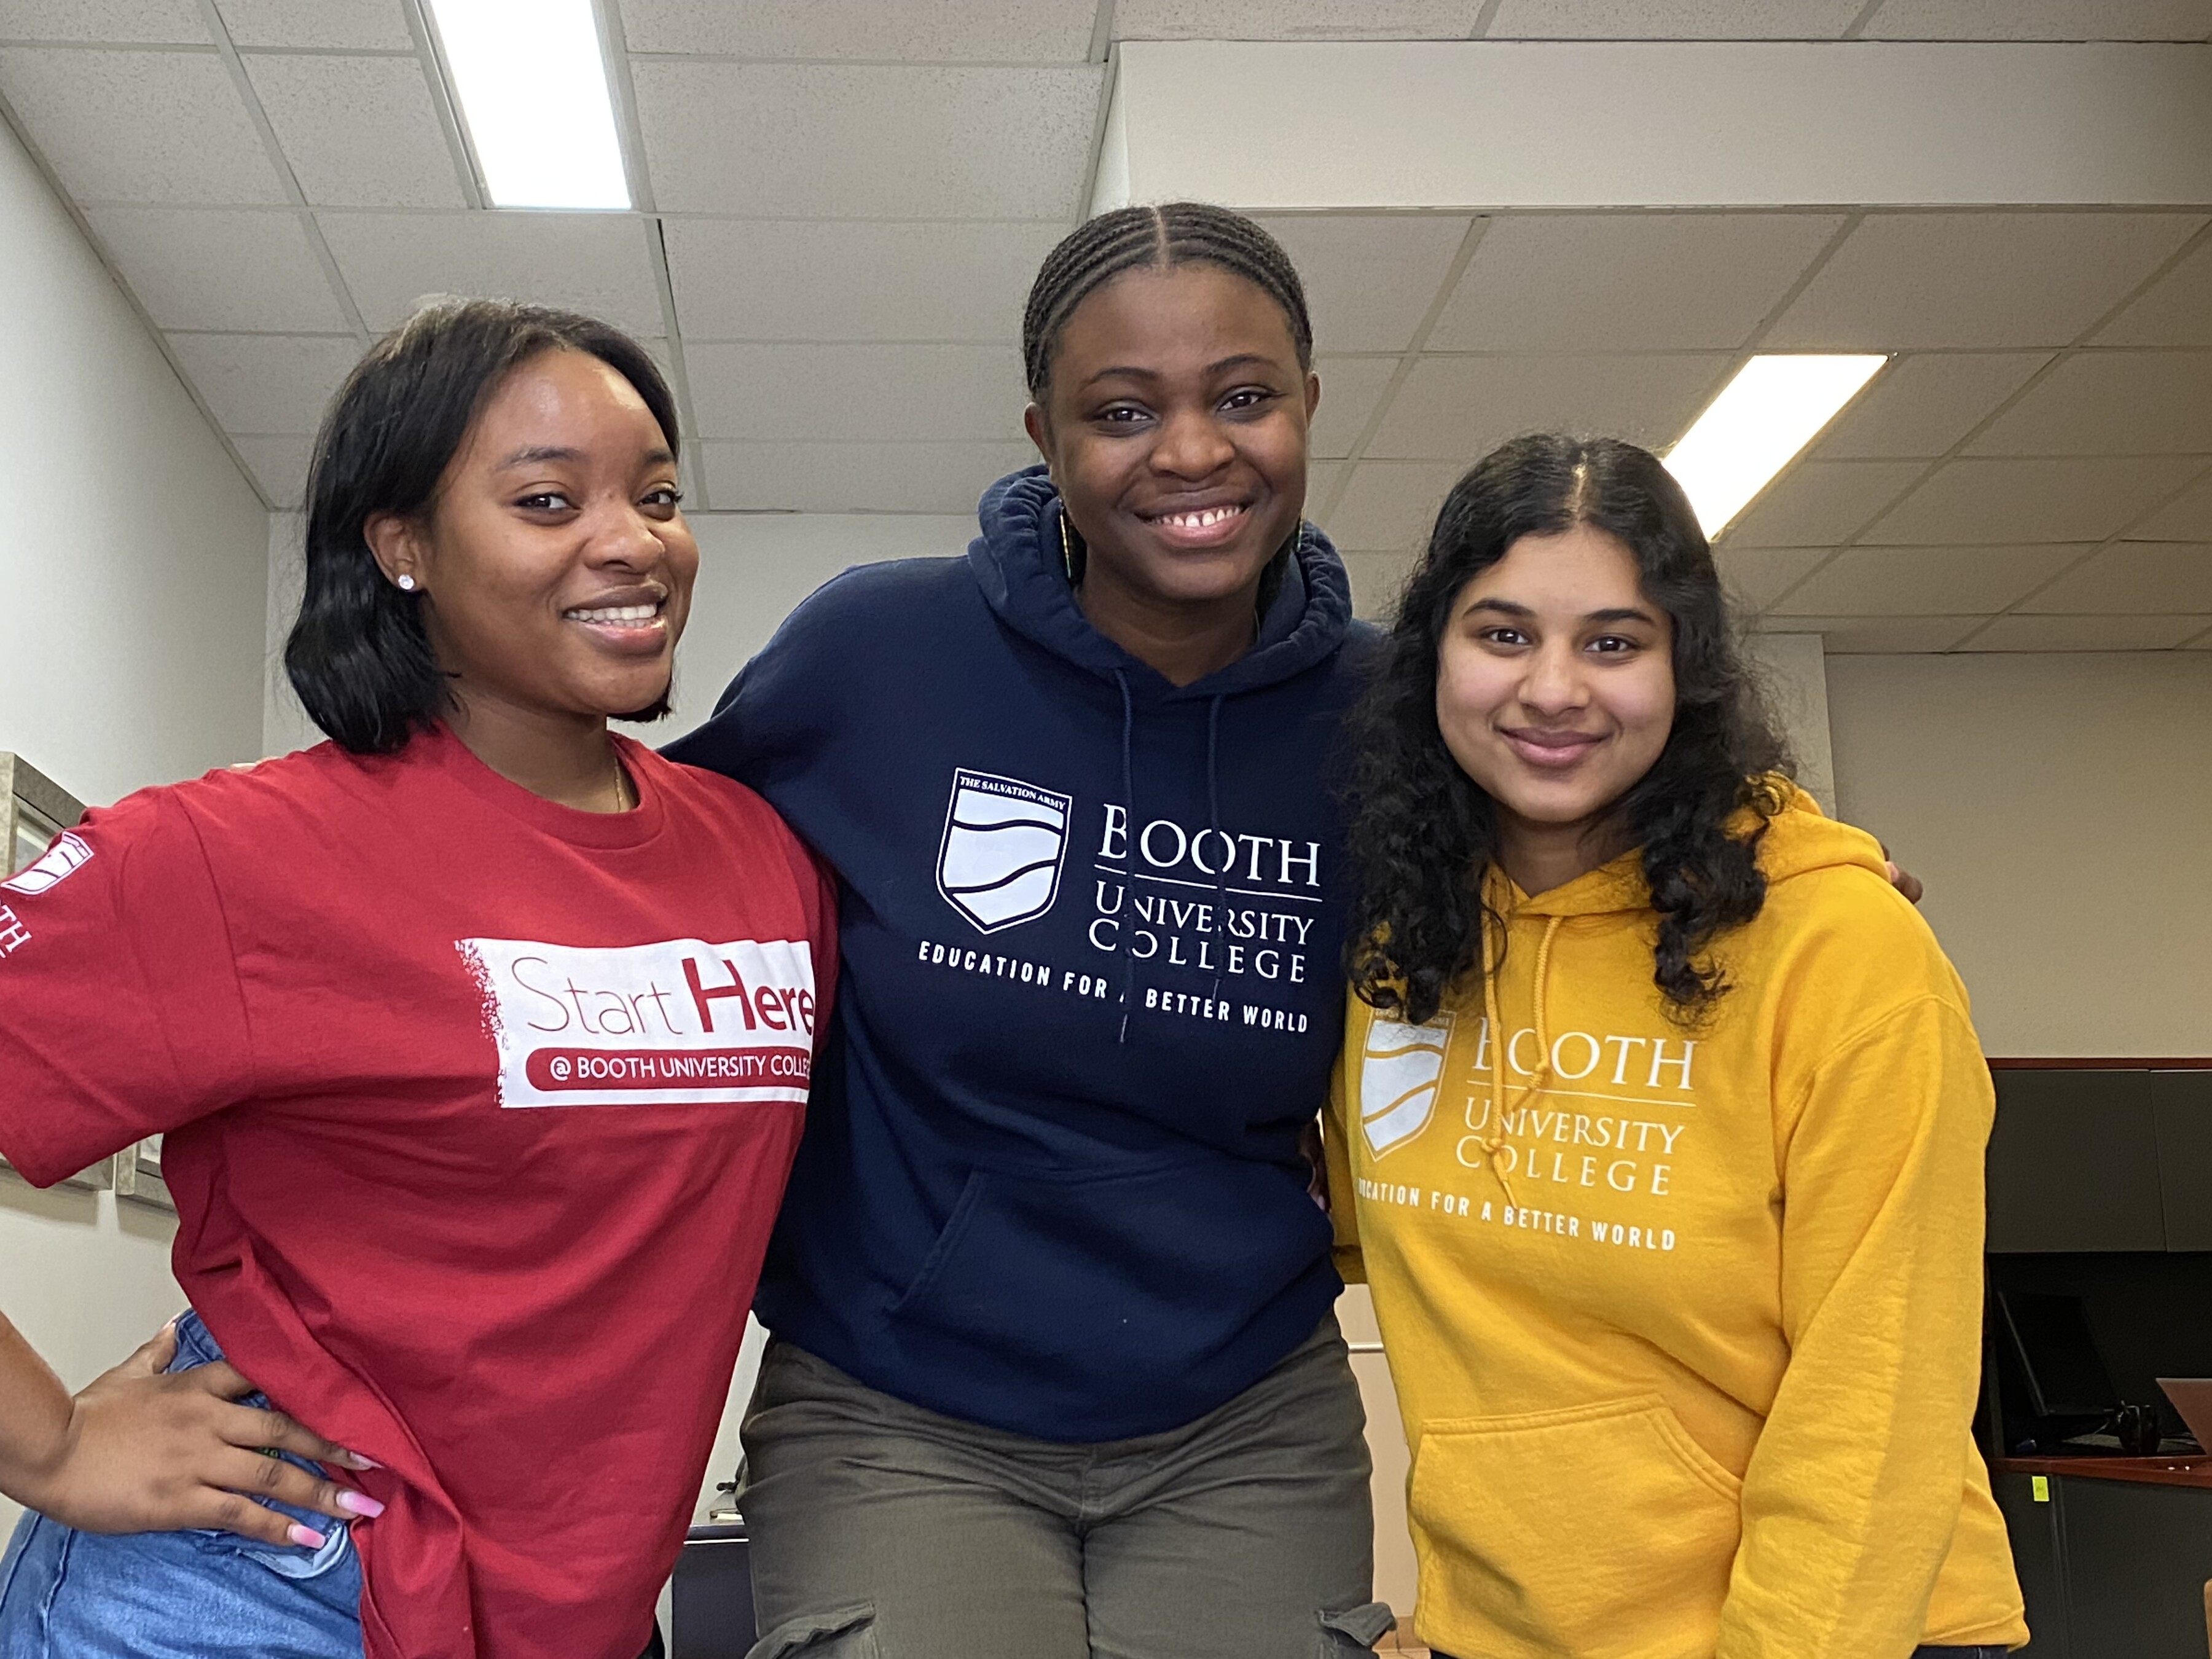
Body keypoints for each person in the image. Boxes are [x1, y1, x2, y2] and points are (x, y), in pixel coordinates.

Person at [0, 300, 834, 1659]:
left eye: (658, 494)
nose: (632, 542)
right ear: (403, 549)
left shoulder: (756, 857)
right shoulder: (229, 856)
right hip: (256, 1587)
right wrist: (52, 1446)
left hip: (581, 1611)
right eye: (549, 499)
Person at [667, 204, 1392, 1659]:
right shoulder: (878, 653)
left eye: (1244, 398)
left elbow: (1592, 867)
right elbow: (626, 855)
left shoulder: (1396, 717)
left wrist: (1792, 883)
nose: (1192, 453)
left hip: (1242, 1411)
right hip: (899, 1405)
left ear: (1310, 403)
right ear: (1045, 434)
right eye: (1123, 412)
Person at [1323, 434, 2028, 1658]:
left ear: (1685, 668)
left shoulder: (1841, 952)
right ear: (1429, 655)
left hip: (1835, 1631)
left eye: (1613, 641)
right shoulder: (1405, 947)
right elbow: (1385, 1241)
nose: (1553, 688)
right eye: (1502, 633)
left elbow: (1880, 1389)